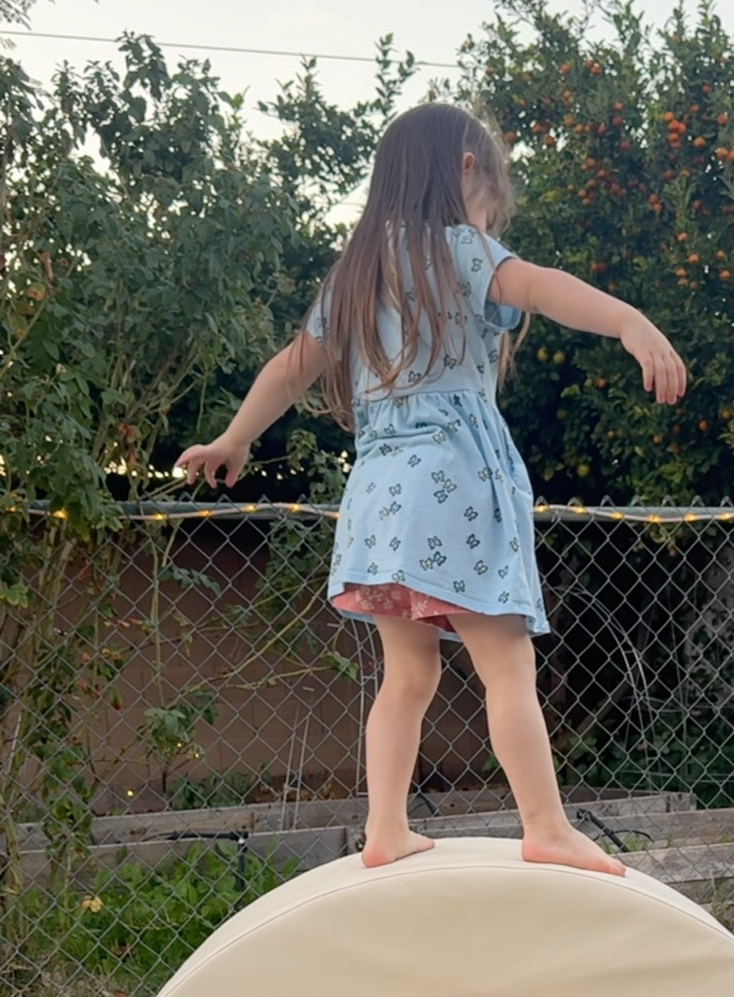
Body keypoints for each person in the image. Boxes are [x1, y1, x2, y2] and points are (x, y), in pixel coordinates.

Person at [177, 101, 686, 874]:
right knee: (508, 666)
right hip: (453, 480)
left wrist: (233, 437)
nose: (492, 220)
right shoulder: (462, 250)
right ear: (466, 170)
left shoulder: (357, 272)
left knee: (408, 673)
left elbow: (290, 369)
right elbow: (544, 288)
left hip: (379, 493)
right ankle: (545, 825)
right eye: (491, 204)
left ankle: (385, 827)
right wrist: (628, 321)